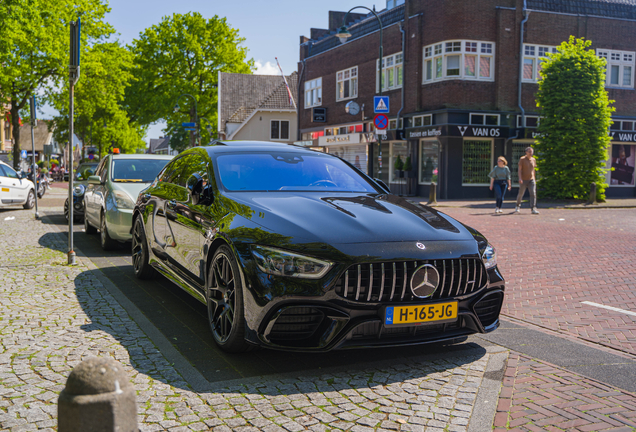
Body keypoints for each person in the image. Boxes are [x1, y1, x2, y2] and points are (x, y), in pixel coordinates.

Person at [515, 146, 539, 214]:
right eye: (529, 152)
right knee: (521, 193)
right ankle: (517, 205)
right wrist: (520, 178)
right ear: (526, 152)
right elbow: (519, 169)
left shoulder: (533, 159)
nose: (531, 153)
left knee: (533, 193)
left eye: (532, 151)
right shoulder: (522, 159)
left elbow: (533, 169)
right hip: (523, 179)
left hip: (531, 179)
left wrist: (534, 178)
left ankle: (533, 208)